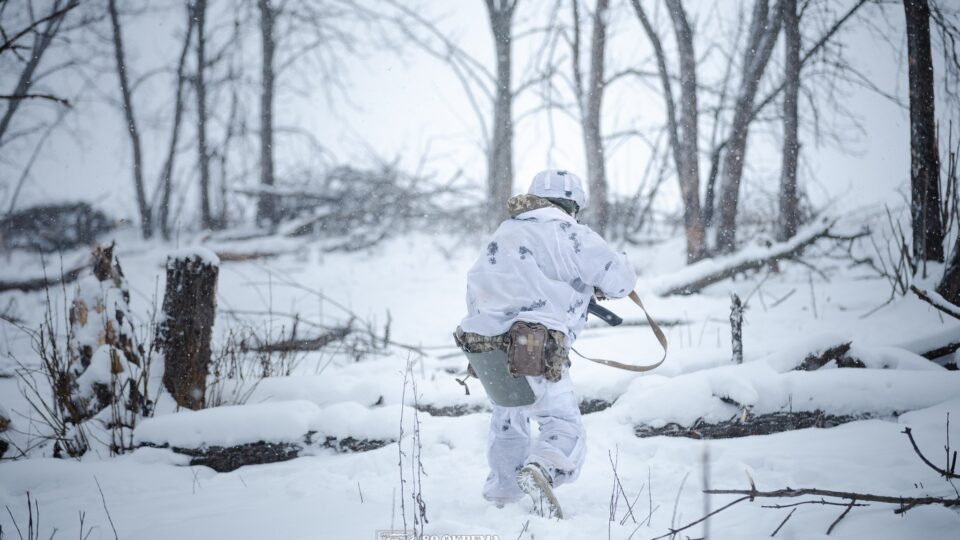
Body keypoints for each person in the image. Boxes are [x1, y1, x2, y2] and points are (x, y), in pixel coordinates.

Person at [454, 169, 637, 516]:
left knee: (509, 419)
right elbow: (619, 279)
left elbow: (483, 287)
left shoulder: (504, 233)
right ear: (573, 206)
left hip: (486, 348)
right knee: (562, 424)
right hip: (532, 347)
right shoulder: (568, 231)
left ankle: (503, 495)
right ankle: (543, 470)